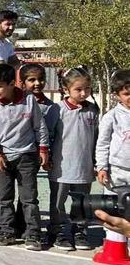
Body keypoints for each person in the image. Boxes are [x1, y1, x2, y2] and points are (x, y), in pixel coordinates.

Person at [0, 63, 50, 251]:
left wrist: (43, 149)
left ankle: (33, 233)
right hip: (3, 157)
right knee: (4, 198)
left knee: (28, 198)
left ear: (12, 83)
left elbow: (40, 126)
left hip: (27, 156)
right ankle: (6, 231)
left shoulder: (29, 100)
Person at [49, 67, 99, 251]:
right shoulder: (57, 109)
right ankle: (58, 231)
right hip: (61, 168)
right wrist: (47, 157)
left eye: (87, 88)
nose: (83, 93)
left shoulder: (92, 111)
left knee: (82, 202)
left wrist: (96, 162)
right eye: (78, 89)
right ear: (66, 88)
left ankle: (79, 232)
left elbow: (96, 139)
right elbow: (48, 135)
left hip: (84, 168)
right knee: (58, 203)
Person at [93, 70, 130, 230]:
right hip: (116, 172)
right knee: (113, 209)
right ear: (117, 95)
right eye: (127, 93)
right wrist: (102, 167)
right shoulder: (111, 116)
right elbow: (102, 144)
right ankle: (113, 245)